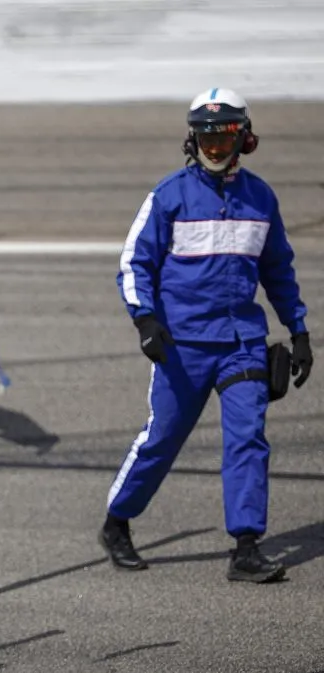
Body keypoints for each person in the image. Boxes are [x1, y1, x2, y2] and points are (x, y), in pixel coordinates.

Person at [101, 87, 314, 583]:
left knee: (247, 438)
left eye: (224, 138)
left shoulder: (260, 197)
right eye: (205, 138)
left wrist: (298, 329)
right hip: (182, 343)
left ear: (245, 138)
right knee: (163, 439)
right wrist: (145, 319)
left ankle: (245, 548)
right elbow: (134, 264)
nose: (214, 148)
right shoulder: (169, 195)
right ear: (191, 139)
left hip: (241, 341)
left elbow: (278, 269)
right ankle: (117, 522)